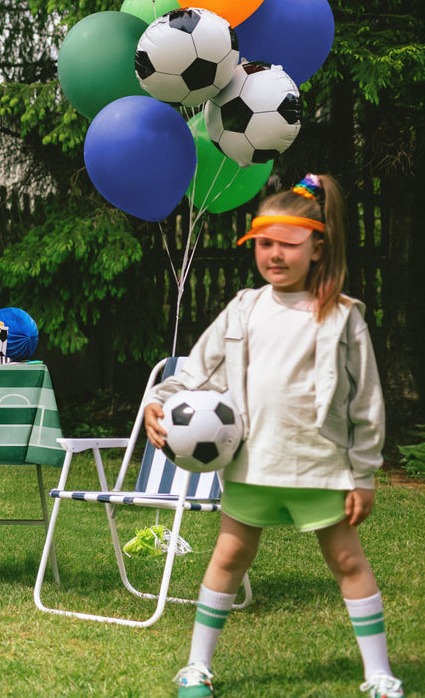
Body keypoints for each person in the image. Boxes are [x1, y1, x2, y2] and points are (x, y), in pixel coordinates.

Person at [144, 174, 402, 698]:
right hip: (253, 466)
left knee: (349, 562)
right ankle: (197, 667)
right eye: (265, 244)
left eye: (288, 244)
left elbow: (366, 403)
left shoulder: (344, 319)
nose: (275, 255)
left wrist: (364, 474)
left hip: (321, 467)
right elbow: (195, 369)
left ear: (319, 246)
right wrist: (160, 401)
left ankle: (378, 674)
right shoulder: (243, 308)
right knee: (228, 559)